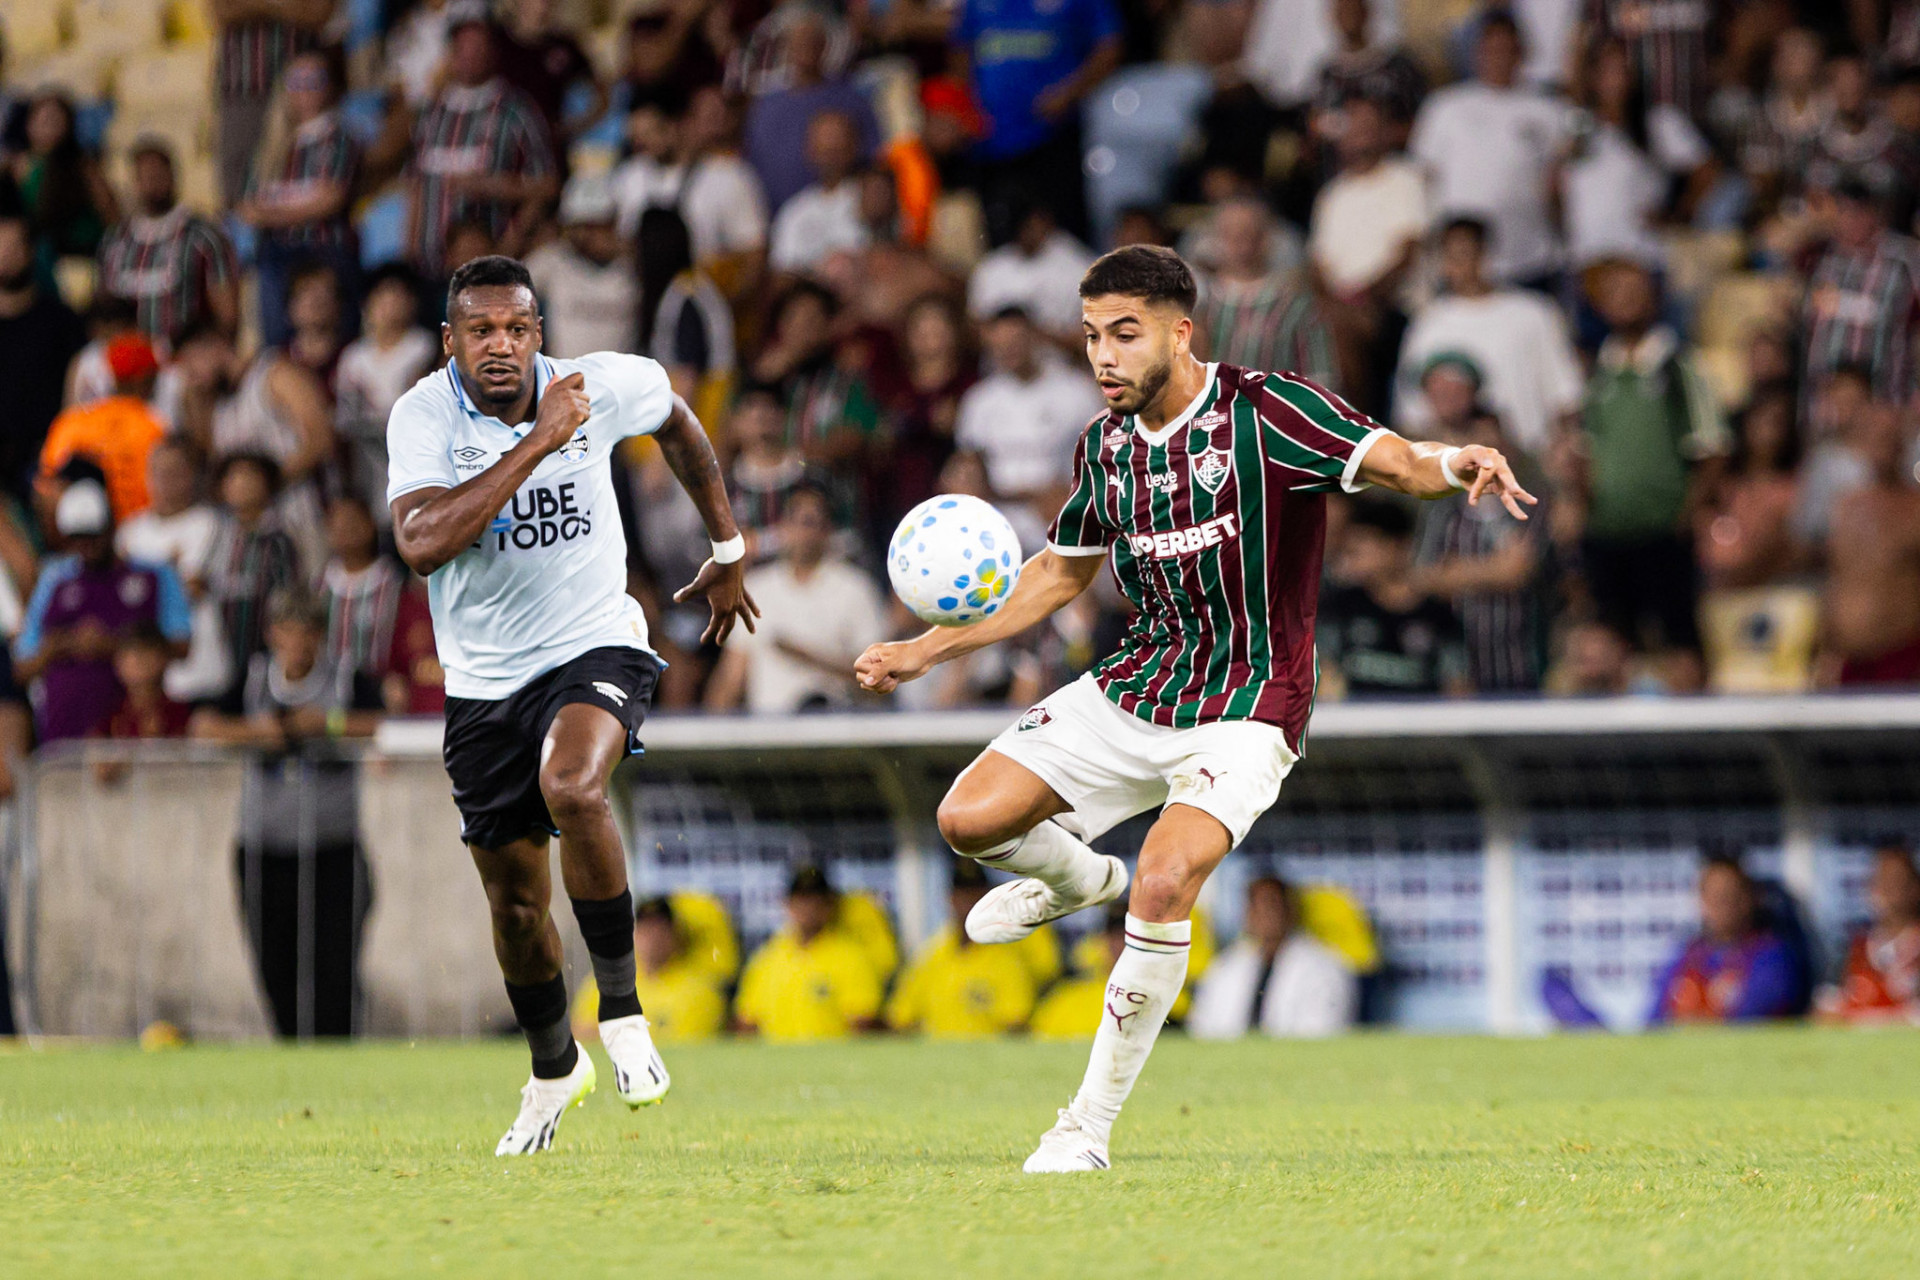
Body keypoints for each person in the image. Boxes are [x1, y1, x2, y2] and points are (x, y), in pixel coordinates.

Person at [854, 244, 1534, 1173]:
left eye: (1124, 335)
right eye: (1092, 336)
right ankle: (1076, 882)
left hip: (1251, 702)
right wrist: (923, 650)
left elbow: (1395, 460)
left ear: (1181, 332)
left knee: (1166, 882)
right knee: (967, 820)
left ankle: (1083, 1127)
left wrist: (1456, 461)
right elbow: (1058, 572)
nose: (1103, 357)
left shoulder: (1268, 411)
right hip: (1141, 680)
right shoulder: (1102, 447)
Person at [385, 254, 756, 1154]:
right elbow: (423, 541)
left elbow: (677, 421)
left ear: (540, 333)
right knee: (515, 907)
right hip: (482, 683)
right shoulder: (425, 415)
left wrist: (728, 543)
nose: (501, 346)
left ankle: (623, 1016)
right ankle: (556, 1067)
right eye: (481, 331)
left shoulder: (599, 385)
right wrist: (540, 442)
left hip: (595, 642)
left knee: (575, 786)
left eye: (517, 328)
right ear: (451, 342)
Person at [190, 588, 381, 1038]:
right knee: (274, 962)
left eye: (307, 631)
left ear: (321, 635)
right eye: (287, 631)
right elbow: (204, 725)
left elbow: (383, 721)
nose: (297, 642)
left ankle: (337, 1048)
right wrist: (258, 733)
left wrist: (327, 724)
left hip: (331, 847)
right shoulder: (255, 679)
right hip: (264, 847)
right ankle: (289, 1045)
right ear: (272, 634)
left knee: (334, 963)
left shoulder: (346, 679)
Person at [1576, 259, 1728, 690]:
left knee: (1679, 640)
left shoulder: (1677, 367)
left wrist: (1686, 514)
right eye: (1615, 292)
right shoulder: (1598, 372)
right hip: (1607, 532)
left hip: (1663, 530)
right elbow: (1588, 448)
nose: (1625, 301)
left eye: (1634, 290)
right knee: (1610, 642)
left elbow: (1712, 447)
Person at [1410, 355, 1551, 692]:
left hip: (1523, 661)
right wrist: (1494, 569)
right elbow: (1423, 576)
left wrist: (1456, 571)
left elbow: (1519, 571)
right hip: (1458, 669)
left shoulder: (1532, 502)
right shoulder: (1445, 507)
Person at [15, 480, 191, 742]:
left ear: (111, 527)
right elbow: (23, 666)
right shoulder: (54, 579)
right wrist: (61, 645)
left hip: (131, 730)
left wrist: (111, 643)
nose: (84, 545)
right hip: (63, 727)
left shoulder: (153, 574)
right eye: (76, 537)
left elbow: (181, 646)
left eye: (92, 535)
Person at [1394, 216, 1584, 456]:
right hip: (1454, 472)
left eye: (1466, 252)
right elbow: (1411, 413)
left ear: (1486, 254)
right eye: (1450, 256)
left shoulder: (1535, 313)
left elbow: (1566, 395)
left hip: (1530, 464)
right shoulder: (1427, 322)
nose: (1458, 265)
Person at [1409, 14, 1569, 287]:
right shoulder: (1445, 106)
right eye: (1490, 49)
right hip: (1460, 265)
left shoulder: (1549, 110)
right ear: (1476, 54)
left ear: (1521, 52)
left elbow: (1562, 181)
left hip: (1529, 259)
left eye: (1507, 49)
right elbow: (1422, 176)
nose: (1498, 57)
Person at [704, 484, 887, 714]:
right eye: (796, 521)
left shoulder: (856, 588)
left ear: (827, 530)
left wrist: (806, 656)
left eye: (811, 523)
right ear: (783, 527)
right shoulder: (756, 588)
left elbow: (879, 680)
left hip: (838, 724)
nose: (803, 533)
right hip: (771, 727)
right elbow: (731, 677)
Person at [172, 322, 337, 574]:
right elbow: (209, 466)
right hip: (253, 537)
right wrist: (194, 399)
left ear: (214, 346)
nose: (189, 374)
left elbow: (321, 439)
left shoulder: (274, 373)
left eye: (190, 361)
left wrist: (263, 483)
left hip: (303, 518)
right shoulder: (217, 404)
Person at [953, 0, 1122, 243]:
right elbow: (960, 50)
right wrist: (968, 106)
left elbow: (1110, 47)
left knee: (1063, 240)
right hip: (991, 140)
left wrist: (1069, 93)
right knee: (1001, 242)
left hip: (1054, 136)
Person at [405, 9, 557, 278]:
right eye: (462, 47)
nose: (470, 55)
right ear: (449, 53)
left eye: (478, 47)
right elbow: (416, 185)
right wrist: (411, 248)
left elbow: (545, 185)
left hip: (491, 272)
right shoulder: (431, 114)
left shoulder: (517, 112)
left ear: (494, 52)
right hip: (431, 270)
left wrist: (509, 244)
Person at [953, 307, 1108, 552]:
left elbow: (1106, 459)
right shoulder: (979, 401)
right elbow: (967, 471)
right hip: (997, 518)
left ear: (1035, 337)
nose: (1009, 350)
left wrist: (1077, 498)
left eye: (1016, 341)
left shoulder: (1077, 392)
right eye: (1000, 344)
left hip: (1064, 513)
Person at [235, 48, 361, 350]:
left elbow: (331, 199)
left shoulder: (339, 137)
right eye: (297, 80)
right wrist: (297, 209)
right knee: (277, 342)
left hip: (324, 250)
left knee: (331, 338)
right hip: (276, 256)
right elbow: (248, 208)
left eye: (314, 79)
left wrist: (273, 214)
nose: (305, 88)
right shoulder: (271, 145)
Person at [1306, 98, 1424, 413]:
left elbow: (1407, 253)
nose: (1360, 136)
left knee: (1336, 326)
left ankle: (1358, 426)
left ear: (1385, 132)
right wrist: (1333, 299)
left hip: (1392, 305)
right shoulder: (1332, 194)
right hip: (1340, 304)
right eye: (1353, 129)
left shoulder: (1405, 179)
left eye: (1368, 129)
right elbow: (1317, 264)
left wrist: (1363, 296)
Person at [116, 438, 231, 704]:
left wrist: (143, 575)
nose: (166, 480)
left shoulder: (209, 522)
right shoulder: (129, 531)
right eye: (159, 472)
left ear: (193, 476)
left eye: (176, 471)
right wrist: (168, 566)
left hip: (199, 668)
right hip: (142, 678)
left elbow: (190, 588)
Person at [1318, 498, 1472, 698]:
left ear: (1398, 547)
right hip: (1356, 727)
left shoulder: (1439, 617)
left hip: (1422, 727)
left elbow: (1457, 689)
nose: (1354, 558)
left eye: (1363, 547)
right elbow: (1325, 676)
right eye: (1351, 549)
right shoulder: (1340, 607)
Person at [96, 137, 240, 345]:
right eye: (143, 176)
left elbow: (227, 312)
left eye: (157, 174)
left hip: (183, 360)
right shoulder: (115, 241)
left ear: (173, 176)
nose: (151, 182)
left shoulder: (203, 237)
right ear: (133, 182)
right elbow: (102, 308)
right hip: (128, 361)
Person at [1820, 401, 1920, 686]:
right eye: (1874, 435)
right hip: (1850, 660)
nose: (1882, 445)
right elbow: (1836, 583)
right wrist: (1827, 651)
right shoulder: (1844, 508)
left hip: (1903, 657)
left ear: (1902, 442)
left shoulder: (1915, 508)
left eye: (1889, 436)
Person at [1801, 179, 1920, 416]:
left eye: (1857, 212)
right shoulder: (1821, 258)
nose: (1849, 221)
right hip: (1825, 402)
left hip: (1884, 397)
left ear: (1874, 213)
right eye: (1842, 212)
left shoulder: (1904, 259)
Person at [886, 860, 1042, 1039]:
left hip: (989, 1062)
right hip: (935, 1061)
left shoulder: (1007, 960)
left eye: (977, 897)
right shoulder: (930, 955)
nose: (969, 904)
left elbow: (1016, 1027)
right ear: (950, 899)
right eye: (963, 896)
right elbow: (901, 1020)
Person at [1187, 875, 1357, 1038]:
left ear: (1290, 910)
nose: (1265, 915)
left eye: (1271, 905)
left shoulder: (1324, 967)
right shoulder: (1224, 967)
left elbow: (1323, 1030)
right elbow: (1202, 1027)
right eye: (1256, 906)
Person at [1200, 196, 1340, 394]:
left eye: (1250, 233)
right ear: (1215, 239)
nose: (1242, 244)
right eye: (1231, 235)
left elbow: (1321, 378)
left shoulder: (1296, 304)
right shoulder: (1199, 304)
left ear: (1267, 238)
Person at [734, 863, 885, 1042]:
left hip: (832, 1064)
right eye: (802, 900)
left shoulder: (852, 956)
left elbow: (864, 1023)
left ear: (830, 905)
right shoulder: (767, 958)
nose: (809, 909)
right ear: (788, 904)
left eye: (817, 901)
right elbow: (747, 1022)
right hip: (776, 1064)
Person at [334, 264, 437, 522]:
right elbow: (346, 414)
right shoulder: (353, 357)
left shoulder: (424, 346)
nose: (392, 303)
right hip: (367, 459)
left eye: (400, 295)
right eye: (384, 295)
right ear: (368, 303)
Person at [200, 453, 303, 709]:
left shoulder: (278, 540)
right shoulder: (215, 537)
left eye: (250, 476)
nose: (242, 483)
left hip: (263, 663)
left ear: (268, 486)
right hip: (218, 661)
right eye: (234, 476)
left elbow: (286, 602)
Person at [0, 208, 88, 503]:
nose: (6, 256)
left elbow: (78, 393)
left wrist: (58, 446)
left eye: (14, 247)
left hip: (50, 457)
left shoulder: (61, 321)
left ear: (32, 251)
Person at [1648, 858, 1802, 1025]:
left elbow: (1754, 1015)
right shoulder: (1686, 956)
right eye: (1713, 896)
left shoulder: (1772, 957)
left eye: (1730, 894)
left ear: (1749, 899)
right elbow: (1654, 1020)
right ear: (1702, 901)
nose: (1722, 904)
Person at [211, 0, 335, 205]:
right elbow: (221, 12)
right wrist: (284, 7)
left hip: (301, 92)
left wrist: (257, 7)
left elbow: (321, 13)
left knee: (301, 179)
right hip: (244, 91)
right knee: (237, 190)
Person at [38, 333, 168, 521]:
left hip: (78, 534)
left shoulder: (70, 422)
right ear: (145, 379)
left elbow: (45, 486)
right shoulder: (156, 424)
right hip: (135, 530)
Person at [571, 896, 728, 1045]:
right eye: (646, 929)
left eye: (660, 929)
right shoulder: (605, 981)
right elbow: (580, 1035)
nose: (653, 938)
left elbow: (685, 1044)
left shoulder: (698, 988)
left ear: (675, 935)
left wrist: (613, 1036)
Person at [525, 173, 636, 358]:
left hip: (620, 380)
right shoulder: (552, 260)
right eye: (583, 226)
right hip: (567, 376)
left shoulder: (631, 265)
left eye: (599, 225)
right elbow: (506, 291)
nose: (590, 234)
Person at [10, 89, 117, 270]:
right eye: (43, 121)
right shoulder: (18, 167)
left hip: (83, 257)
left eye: (55, 121)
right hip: (36, 259)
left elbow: (110, 215)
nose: (49, 128)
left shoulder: (84, 166)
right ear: (30, 124)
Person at [967, 203, 1097, 349]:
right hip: (1000, 368)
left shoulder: (1077, 264)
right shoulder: (990, 268)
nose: (1027, 231)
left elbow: (1090, 339)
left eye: (1031, 223)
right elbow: (975, 331)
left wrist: (1036, 335)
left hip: (1060, 367)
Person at [1822, 845, 1920, 1025]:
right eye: (1879, 881)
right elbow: (1823, 1013)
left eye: (1897, 881)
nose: (1886, 891)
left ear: (1915, 889)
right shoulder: (1851, 950)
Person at [767, 111, 870, 277]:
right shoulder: (794, 211)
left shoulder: (876, 199)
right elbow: (783, 273)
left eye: (837, 144)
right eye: (824, 146)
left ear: (854, 146)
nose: (830, 149)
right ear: (810, 150)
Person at [321, 496, 406, 684]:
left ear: (371, 524)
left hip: (378, 686)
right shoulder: (320, 584)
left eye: (352, 520)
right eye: (337, 523)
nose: (345, 528)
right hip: (329, 689)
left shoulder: (393, 582)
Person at [102, 623, 193, 739]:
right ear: (117, 662)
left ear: (164, 658)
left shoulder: (183, 715)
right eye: (129, 652)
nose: (138, 659)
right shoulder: (110, 719)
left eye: (146, 651)